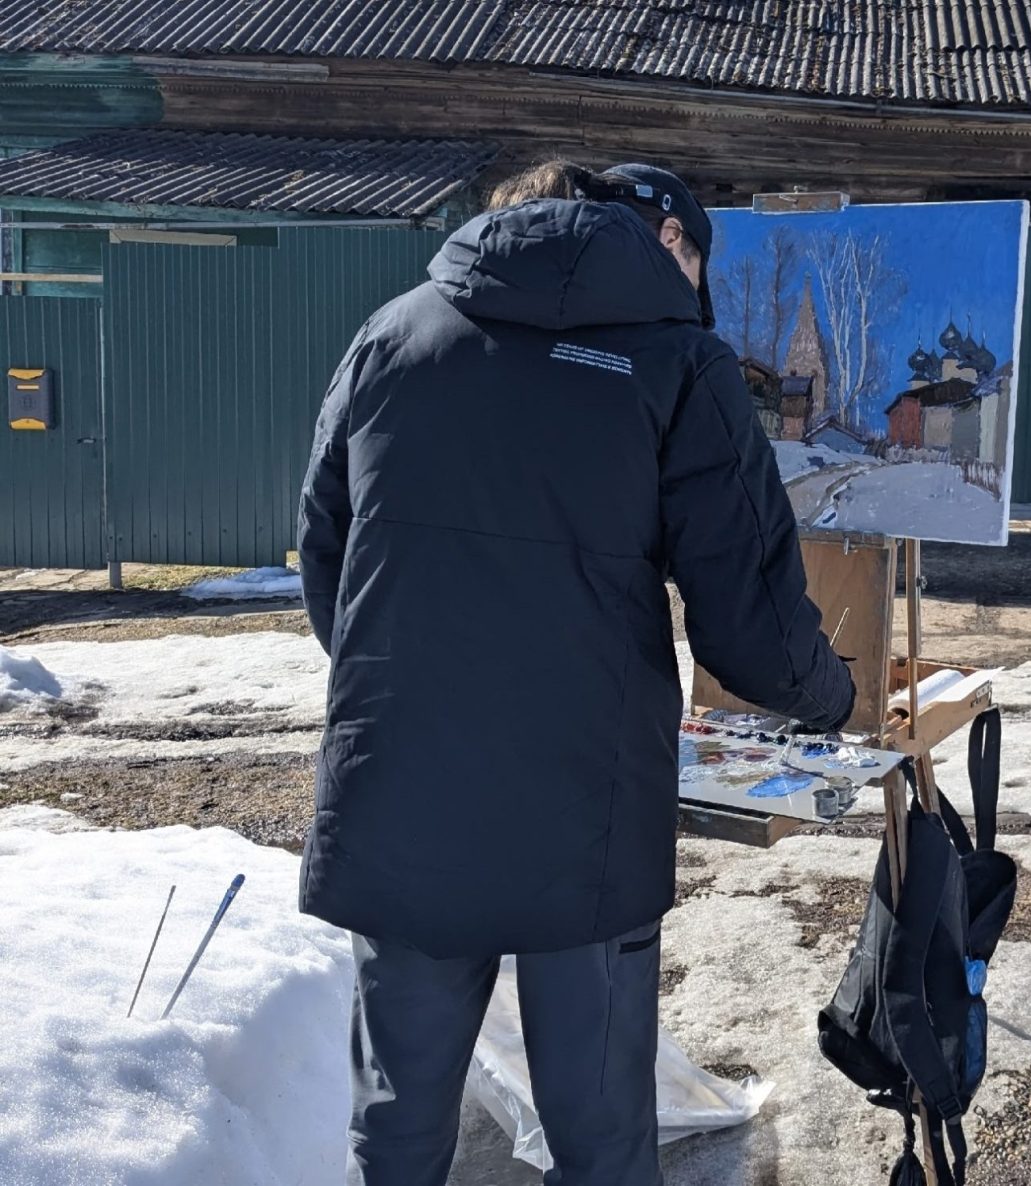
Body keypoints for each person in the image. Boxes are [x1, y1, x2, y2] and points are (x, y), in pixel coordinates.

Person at [297, 159, 854, 1186]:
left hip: (399, 781)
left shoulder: (393, 331)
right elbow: (751, 621)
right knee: (600, 1139)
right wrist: (835, 699)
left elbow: (327, 559)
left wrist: (411, 682)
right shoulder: (680, 363)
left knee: (397, 1126)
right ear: (659, 246)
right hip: (580, 804)